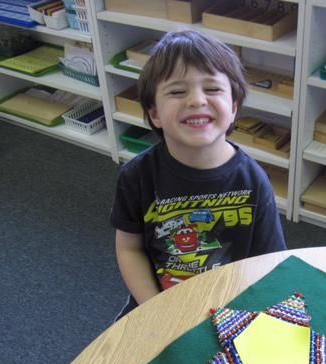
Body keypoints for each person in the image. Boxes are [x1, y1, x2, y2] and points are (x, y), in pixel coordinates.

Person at [110, 29, 287, 318]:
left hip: (231, 306)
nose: (196, 100)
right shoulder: (137, 176)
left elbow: (270, 263)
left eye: (213, 89)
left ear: (233, 108)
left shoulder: (253, 180)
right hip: (157, 303)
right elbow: (129, 250)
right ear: (154, 114)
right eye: (178, 91)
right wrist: (156, 307)